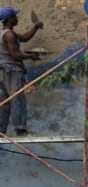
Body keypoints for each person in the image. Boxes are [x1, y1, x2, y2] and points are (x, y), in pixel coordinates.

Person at [0, 6, 43, 136]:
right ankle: (21, 129)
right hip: (12, 70)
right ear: (10, 19)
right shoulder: (9, 35)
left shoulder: (5, 33)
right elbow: (15, 55)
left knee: (4, 101)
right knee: (17, 99)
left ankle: (1, 130)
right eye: (15, 16)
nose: (17, 18)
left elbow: (24, 38)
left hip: (3, 71)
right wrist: (30, 56)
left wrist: (35, 27)